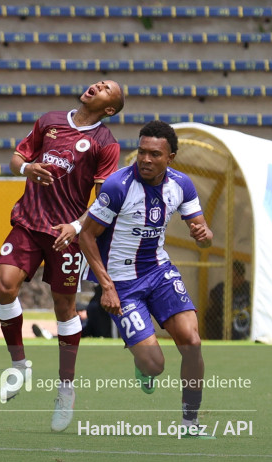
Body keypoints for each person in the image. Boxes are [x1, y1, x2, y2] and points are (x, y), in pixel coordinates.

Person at [0, 80, 124, 432]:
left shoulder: (105, 144)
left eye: (107, 89)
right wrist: (26, 169)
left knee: (65, 309)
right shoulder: (49, 120)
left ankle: (66, 389)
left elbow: (104, 200)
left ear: (109, 108)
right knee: (5, 286)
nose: (98, 85)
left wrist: (78, 226)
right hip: (27, 222)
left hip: (64, 234)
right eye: (99, 82)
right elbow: (16, 159)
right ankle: (19, 365)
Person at [79, 120, 215, 436]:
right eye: (142, 152)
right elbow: (86, 236)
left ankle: (189, 424)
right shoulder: (117, 186)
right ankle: (145, 365)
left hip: (159, 272)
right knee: (155, 365)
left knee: (192, 343)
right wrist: (106, 287)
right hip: (123, 284)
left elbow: (204, 237)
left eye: (155, 154)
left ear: (171, 157)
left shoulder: (182, 185)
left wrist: (204, 234)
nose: (146, 159)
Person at [205, 260, 251, 340]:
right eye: (228, 276)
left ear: (241, 277)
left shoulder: (250, 289)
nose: (230, 279)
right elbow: (211, 315)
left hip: (245, 328)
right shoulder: (220, 289)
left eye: (233, 277)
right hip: (227, 330)